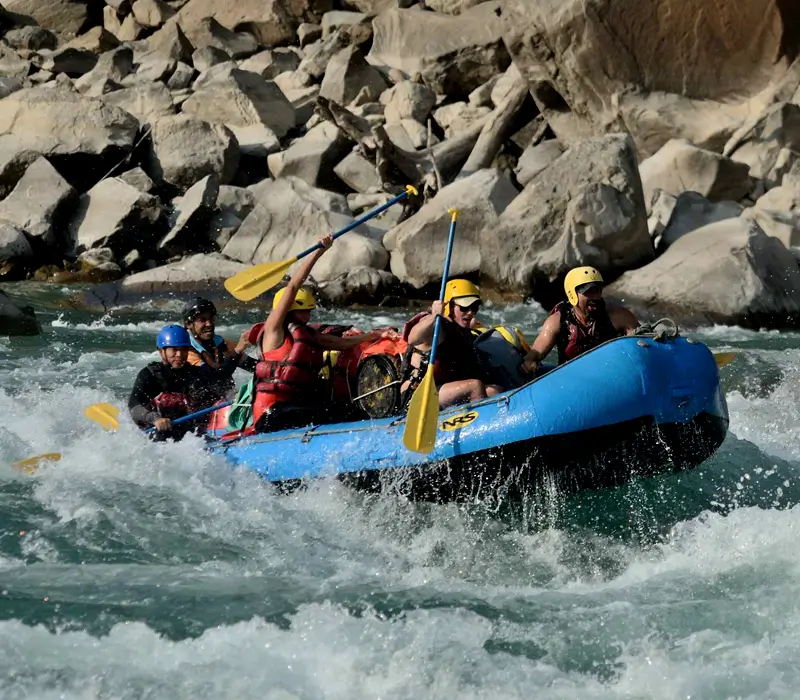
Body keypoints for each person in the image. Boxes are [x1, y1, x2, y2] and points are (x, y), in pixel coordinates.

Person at [253, 235, 397, 433]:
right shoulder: (274, 331)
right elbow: (293, 286)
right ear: (290, 310)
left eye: (309, 311)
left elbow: (341, 343)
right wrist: (319, 251)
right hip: (270, 413)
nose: (308, 315)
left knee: (349, 409)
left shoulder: (307, 335)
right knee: (347, 413)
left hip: (293, 406)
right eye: (303, 311)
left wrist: (374, 335)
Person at [402, 278, 503, 408]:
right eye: (464, 307)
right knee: (475, 386)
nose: (470, 312)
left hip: (445, 388)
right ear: (449, 306)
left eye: (474, 307)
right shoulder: (437, 326)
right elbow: (413, 338)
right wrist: (434, 316)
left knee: (495, 390)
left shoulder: (461, 327)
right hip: (419, 394)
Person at [128, 324, 239, 441]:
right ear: (161, 351)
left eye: (183, 349)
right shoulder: (150, 375)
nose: (179, 355)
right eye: (174, 350)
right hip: (160, 437)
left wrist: (236, 398)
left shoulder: (198, 374)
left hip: (194, 437)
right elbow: (134, 406)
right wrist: (154, 419)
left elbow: (224, 389)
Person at [521, 266, 639, 374]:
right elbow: (536, 352)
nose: (595, 297)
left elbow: (641, 340)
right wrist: (530, 361)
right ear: (572, 294)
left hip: (610, 374)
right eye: (588, 291)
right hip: (572, 378)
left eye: (598, 290)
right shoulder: (557, 321)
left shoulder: (618, 315)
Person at [182, 296, 257, 379]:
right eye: (202, 320)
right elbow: (213, 380)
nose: (209, 324)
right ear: (188, 324)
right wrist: (237, 352)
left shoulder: (222, 343)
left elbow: (253, 366)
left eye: (211, 319)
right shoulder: (185, 352)